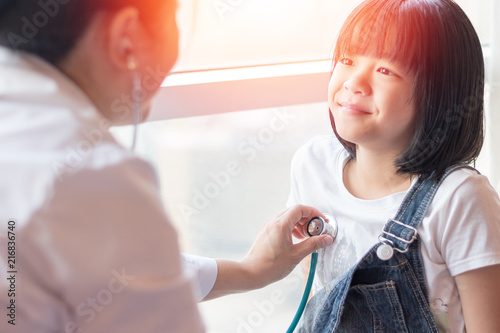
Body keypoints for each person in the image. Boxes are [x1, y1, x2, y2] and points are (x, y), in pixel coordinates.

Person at [0, 0, 333, 332]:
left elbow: (111, 275)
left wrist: (249, 271)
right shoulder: (91, 173)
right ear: (126, 37)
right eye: (175, 18)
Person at [287, 0, 500, 332]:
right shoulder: (312, 165)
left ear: (438, 94)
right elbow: (315, 295)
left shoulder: (460, 197)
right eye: (347, 59)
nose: (354, 82)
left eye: (385, 70)